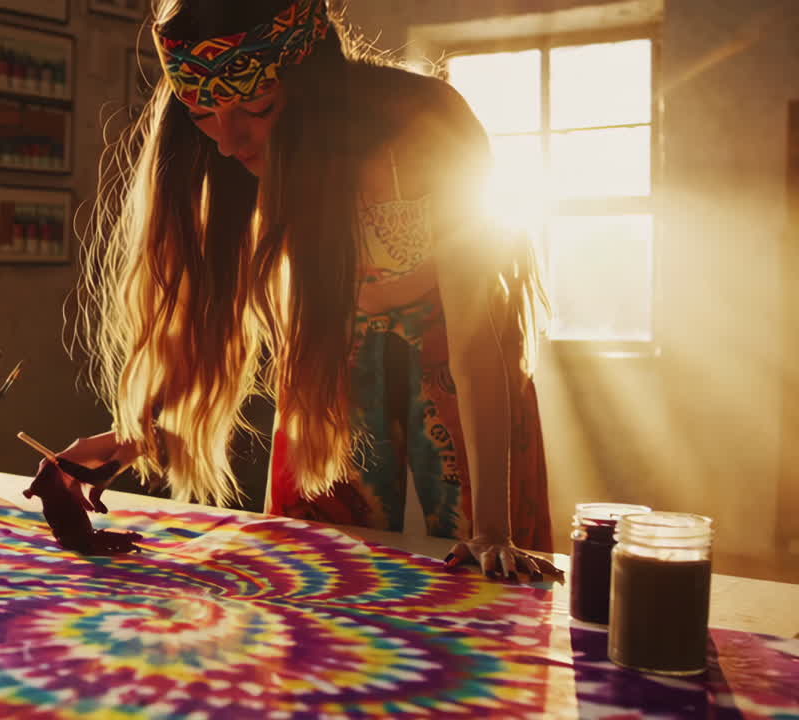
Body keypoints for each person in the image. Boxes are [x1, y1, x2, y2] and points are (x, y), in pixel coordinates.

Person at [49, 0, 559, 580]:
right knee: (312, 584)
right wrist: (126, 439)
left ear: (315, 90)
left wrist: (493, 528)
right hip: (330, 365)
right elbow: (210, 313)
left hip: (463, 371)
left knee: (482, 589)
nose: (227, 140)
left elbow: (473, 340)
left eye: (257, 107)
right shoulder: (229, 151)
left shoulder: (427, 125)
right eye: (201, 114)